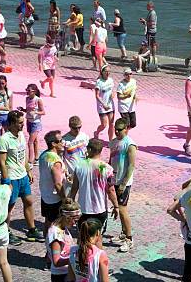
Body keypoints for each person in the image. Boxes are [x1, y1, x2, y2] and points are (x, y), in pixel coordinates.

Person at [0, 110, 44, 245]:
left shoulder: (21, 135)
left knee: (28, 201)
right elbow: (2, 163)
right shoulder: (3, 140)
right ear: (11, 124)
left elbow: (23, 155)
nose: (22, 125)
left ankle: (31, 230)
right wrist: (6, 182)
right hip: (11, 178)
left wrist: (28, 170)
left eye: (22, 123)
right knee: (9, 207)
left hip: (22, 176)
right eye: (19, 123)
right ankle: (5, 232)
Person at [70, 138, 119, 233]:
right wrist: (116, 206)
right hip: (99, 209)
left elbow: (74, 188)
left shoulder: (79, 166)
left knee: (82, 235)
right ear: (100, 150)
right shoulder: (107, 168)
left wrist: (70, 202)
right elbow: (111, 190)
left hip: (83, 208)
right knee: (97, 236)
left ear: (89, 149)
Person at [109, 118, 137, 252]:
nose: (116, 131)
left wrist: (124, 184)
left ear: (126, 129)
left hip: (124, 182)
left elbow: (131, 166)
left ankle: (129, 238)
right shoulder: (113, 142)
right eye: (115, 129)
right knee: (119, 209)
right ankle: (123, 233)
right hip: (115, 179)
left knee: (122, 209)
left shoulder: (130, 144)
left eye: (119, 129)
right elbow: (111, 160)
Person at [38, 130, 67, 243]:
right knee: (57, 226)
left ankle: (47, 247)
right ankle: (54, 249)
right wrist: (64, 199)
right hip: (55, 198)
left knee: (48, 222)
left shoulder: (43, 155)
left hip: (45, 195)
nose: (63, 143)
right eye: (60, 141)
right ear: (53, 144)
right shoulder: (56, 161)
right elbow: (58, 184)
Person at [47, 198, 81, 282]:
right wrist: (76, 259)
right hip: (61, 276)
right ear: (66, 218)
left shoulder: (62, 228)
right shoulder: (56, 236)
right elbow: (56, 261)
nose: (74, 224)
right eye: (73, 220)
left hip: (67, 272)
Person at [22, 83, 45, 166]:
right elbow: (27, 110)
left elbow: (43, 112)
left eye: (29, 91)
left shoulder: (38, 100)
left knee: (30, 142)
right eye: (26, 90)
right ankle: (37, 158)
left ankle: (30, 160)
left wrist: (35, 112)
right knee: (35, 141)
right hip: (29, 121)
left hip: (36, 123)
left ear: (34, 91)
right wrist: (23, 109)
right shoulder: (27, 99)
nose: (27, 92)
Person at [94, 65, 115, 141]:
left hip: (110, 105)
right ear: (102, 72)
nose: (108, 73)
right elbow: (97, 96)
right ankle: (96, 132)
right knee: (104, 125)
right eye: (106, 71)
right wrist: (104, 105)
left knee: (112, 124)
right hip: (102, 106)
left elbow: (113, 90)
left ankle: (110, 141)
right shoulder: (99, 82)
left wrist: (113, 94)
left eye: (109, 71)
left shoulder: (111, 80)